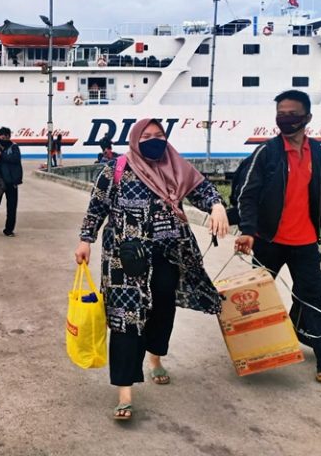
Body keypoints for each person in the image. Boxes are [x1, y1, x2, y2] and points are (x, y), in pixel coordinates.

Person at [74, 118, 229, 421]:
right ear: (135, 138)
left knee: (161, 310)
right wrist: (85, 240)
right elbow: (96, 208)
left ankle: (155, 357)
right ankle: (124, 393)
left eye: (160, 135)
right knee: (125, 321)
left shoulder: (176, 166)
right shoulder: (116, 168)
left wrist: (217, 206)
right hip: (125, 261)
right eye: (147, 136)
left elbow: (203, 191)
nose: (155, 140)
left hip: (167, 255)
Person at [234, 90, 321, 384]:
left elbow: (318, 193)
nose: (286, 119)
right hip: (269, 240)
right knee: (257, 301)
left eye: (292, 114)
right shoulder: (266, 152)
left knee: (314, 299)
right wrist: (247, 230)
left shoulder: (316, 151)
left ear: (307, 118)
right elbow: (247, 194)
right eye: (281, 113)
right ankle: (253, 354)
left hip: (306, 241)